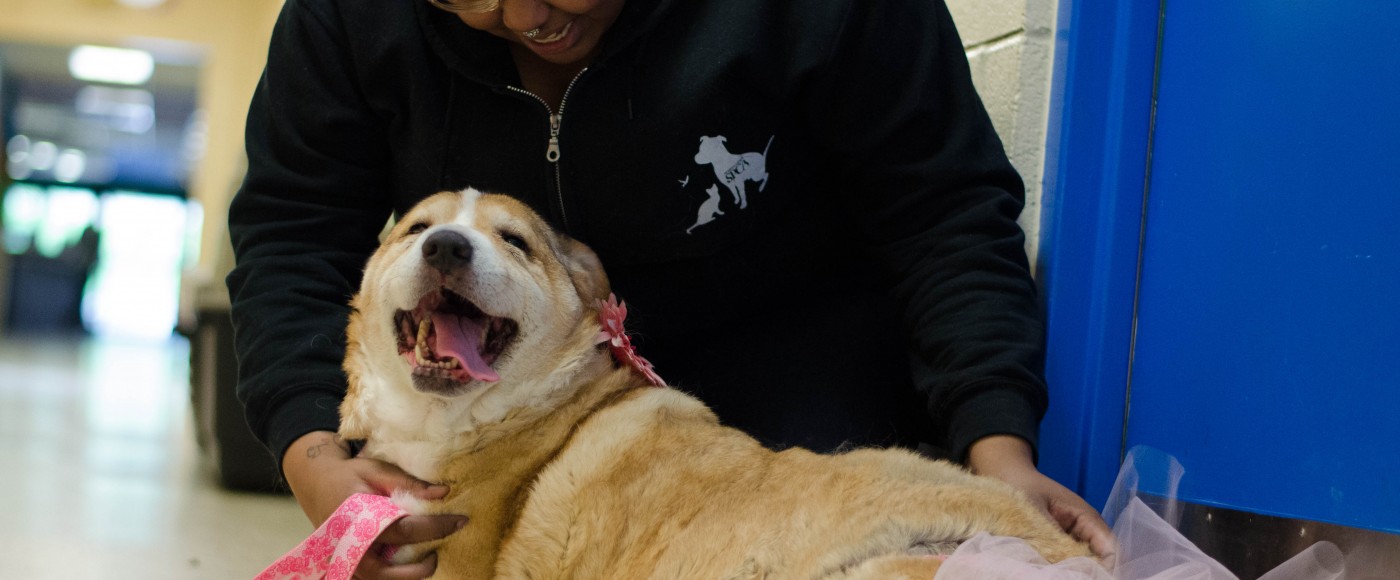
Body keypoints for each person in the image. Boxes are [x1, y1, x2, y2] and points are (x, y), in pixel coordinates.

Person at [227, 0, 1116, 577]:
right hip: (528, 440)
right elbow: (293, 234)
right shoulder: (343, 20)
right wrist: (315, 457)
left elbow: (944, 212)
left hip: (807, 433)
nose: (525, 16)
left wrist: (1000, 452)